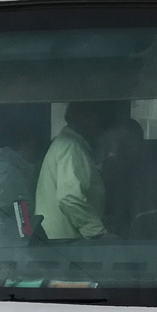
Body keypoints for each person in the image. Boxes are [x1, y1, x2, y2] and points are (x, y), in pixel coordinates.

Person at [34, 101, 121, 239]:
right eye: (97, 120)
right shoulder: (71, 148)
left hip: (62, 247)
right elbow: (70, 197)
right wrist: (97, 233)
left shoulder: (66, 144)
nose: (101, 130)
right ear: (86, 118)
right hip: (66, 250)